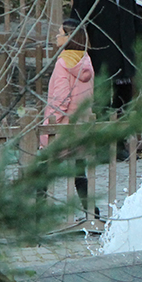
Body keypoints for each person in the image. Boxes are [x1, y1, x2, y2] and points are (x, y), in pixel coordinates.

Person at [71, 0, 142, 158]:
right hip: (100, 55)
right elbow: (76, 23)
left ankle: (119, 145)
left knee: (124, 101)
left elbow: (134, 19)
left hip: (125, 54)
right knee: (103, 102)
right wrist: (79, 51)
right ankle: (101, 146)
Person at [42, 19, 96, 218]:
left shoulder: (64, 63)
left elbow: (61, 99)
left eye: (60, 32)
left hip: (62, 129)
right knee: (79, 173)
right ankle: (94, 215)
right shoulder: (86, 61)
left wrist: (49, 125)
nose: (57, 36)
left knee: (42, 172)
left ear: (69, 37)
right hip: (80, 127)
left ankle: (36, 219)